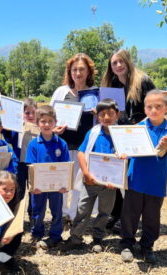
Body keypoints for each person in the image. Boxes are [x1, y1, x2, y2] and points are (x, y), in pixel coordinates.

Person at [120, 90, 167, 264]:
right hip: (135, 179)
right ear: (145, 108)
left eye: (158, 106)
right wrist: (123, 154)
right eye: (149, 107)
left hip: (156, 182)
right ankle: (127, 244)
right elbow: (126, 150)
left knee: (152, 217)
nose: (154, 110)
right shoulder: (137, 128)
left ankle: (147, 246)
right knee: (129, 215)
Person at [101, 49, 156, 234]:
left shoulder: (142, 81)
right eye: (114, 63)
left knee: (133, 177)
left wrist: (142, 123)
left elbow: (154, 106)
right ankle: (117, 213)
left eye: (120, 62)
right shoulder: (112, 84)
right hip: (118, 134)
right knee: (115, 173)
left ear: (128, 61)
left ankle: (131, 218)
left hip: (140, 134)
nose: (117, 66)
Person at [60, 99, 121, 252]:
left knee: (104, 212)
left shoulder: (121, 134)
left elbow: (126, 158)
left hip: (110, 185)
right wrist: (86, 173)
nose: (107, 117)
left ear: (117, 115)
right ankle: (75, 238)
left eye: (111, 114)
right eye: (102, 114)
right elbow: (81, 152)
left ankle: (98, 238)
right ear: (98, 116)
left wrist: (117, 179)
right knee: (82, 209)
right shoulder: (93, 132)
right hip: (90, 181)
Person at [50, 53, 97, 223]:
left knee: (79, 182)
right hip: (63, 144)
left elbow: (104, 120)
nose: (78, 73)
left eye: (82, 69)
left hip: (84, 146)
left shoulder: (95, 94)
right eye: (74, 69)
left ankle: (74, 214)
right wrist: (55, 128)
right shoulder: (61, 92)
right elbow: (50, 115)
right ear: (69, 72)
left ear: (88, 72)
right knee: (63, 181)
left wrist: (98, 114)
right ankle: (61, 214)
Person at [25, 105, 70, 249]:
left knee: (57, 211)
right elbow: (30, 167)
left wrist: (65, 185)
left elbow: (66, 166)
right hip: (39, 186)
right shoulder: (33, 144)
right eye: (43, 121)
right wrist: (33, 186)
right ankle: (37, 232)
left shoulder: (61, 144)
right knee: (38, 210)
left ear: (55, 122)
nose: (46, 124)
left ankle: (55, 235)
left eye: (50, 121)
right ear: (37, 123)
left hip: (57, 187)